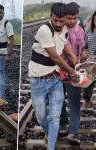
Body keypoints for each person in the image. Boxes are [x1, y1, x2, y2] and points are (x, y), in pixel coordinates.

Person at [28, 2, 77, 150]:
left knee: (55, 117)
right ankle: (49, 133)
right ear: (51, 16)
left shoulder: (65, 30)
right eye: (55, 20)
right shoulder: (45, 29)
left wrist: (74, 59)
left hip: (55, 80)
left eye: (61, 21)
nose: (58, 23)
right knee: (41, 116)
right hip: (38, 80)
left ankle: (51, 146)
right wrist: (71, 71)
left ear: (65, 20)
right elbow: (55, 57)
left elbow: (66, 46)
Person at [59, 2, 87, 145]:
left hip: (75, 70)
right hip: (60, 70)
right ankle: (63, 125)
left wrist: (84, 57)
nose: (71, 21)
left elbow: (83, 48)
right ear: (64, 17)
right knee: (59, 100)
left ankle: (73, 132)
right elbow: (69, 54)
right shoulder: (60, 31)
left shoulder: (81, 30)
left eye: (74, 18)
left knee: (75, 103)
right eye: (69, 18)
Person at [82, 11, 96, 108]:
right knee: (88, 84)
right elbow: (84, 45)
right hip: (89, 62)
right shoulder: (88, 31)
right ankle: (87, 99)